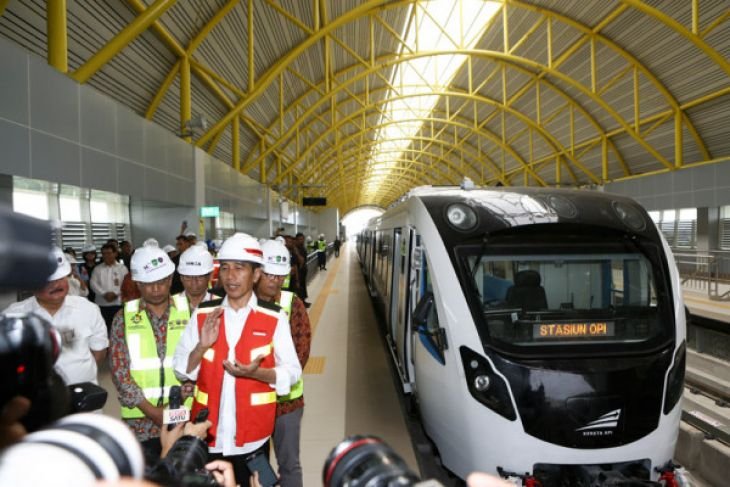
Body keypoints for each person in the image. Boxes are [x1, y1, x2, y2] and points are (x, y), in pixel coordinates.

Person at [173, 233, 301, 486]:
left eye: (239, 268)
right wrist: (201, 345)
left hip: (253, 439)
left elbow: (292, 371)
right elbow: (180, 369)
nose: (230, 276)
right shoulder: (204, 314)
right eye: (226, 268)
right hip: (207, 435)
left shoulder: (274, 318)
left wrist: (256, 374)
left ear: (255, 275)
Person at [109, 239, 193, 466]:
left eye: (160, 282)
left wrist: (186, 391)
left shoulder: (190, 313)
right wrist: (154, 412)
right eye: (147, 283)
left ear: (170, 279)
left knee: (184, 476)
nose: (155, 289)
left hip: (184, 417)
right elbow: (120, 372)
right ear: (137, 283)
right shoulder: (123, 318)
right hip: (140, 422)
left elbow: (200, 361)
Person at [3, 247, 108, 386]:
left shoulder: (88, 309)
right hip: (36, 402)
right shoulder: (13, 316)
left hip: (85, 397)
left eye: (60, 277)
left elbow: (99, 352)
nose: (56, 284)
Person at [256, 239, 311, 487]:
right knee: (256, 463)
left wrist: (263, 376)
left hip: (286, 403)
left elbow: (301, 353)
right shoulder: (243, 303)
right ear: (257, 272)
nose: (274, 281)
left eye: (279, 276)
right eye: (268, 274)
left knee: (289, 464)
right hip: (252, 403)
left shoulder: (293, 304)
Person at [90, 242, 128, 330]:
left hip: (118, 304)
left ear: (115, 253)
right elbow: (93, 283)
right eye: (104, 254)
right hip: (101, 304)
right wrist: (104, 294)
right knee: (103, 328)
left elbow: (125, 284)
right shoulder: (97, 269)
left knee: (119, 328)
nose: (106, 256)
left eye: (109, 253)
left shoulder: (122, 268)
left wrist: (116, 293)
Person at [177, 242, 219, 310]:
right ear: (181, 277)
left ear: (210, 276)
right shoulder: (169, 305)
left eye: (200, 276)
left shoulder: (221, 305)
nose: (194, 282)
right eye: (188, 277)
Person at [293, 233, 310, 307]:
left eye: (303, 239)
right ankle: (301, 304)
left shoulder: (302, 248)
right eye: (300, 239)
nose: (302, 241)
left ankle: (303, 301)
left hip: (303, 272)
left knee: (303, 287)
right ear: (296, 240)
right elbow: (299, 261)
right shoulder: (295, 249)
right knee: (299, 288)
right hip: (298, 273)